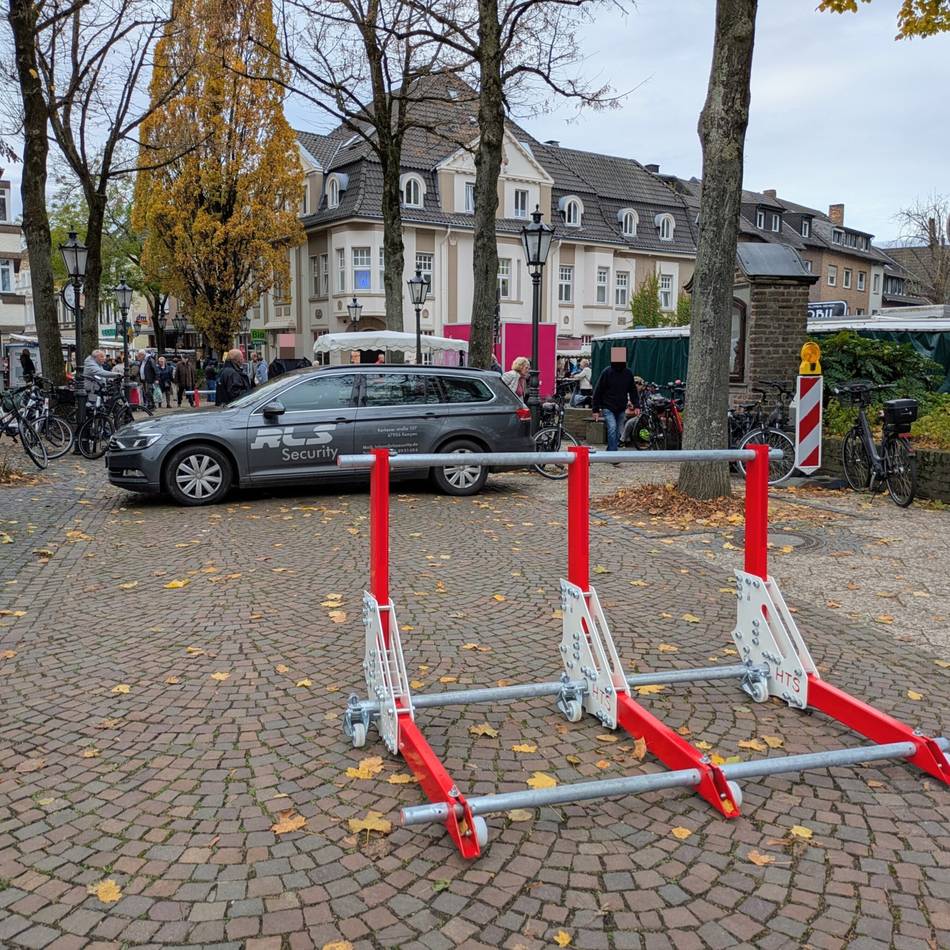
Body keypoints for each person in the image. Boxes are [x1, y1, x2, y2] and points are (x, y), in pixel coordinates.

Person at [592, 347, 639, 453]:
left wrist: (636, 405)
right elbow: (598, 391)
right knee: (612, 428)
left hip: (621, 407)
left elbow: (632, 390)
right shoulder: (607, 372)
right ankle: (613, 454)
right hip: (608, 407)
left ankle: (610, 450)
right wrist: (595, 409)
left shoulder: (628, 374)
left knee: (617, 432)